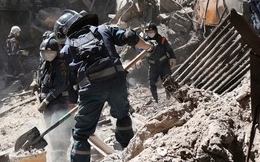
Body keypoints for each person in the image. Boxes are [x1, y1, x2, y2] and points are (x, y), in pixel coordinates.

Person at [54, 9, 154, 162]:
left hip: (91, 89)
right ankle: (132, 155)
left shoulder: (67, 49)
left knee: (81, 134)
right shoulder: (103, 29)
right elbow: (128, 36)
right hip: (117, 82)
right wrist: (148, 46)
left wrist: (74, 100)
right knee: (122, 116)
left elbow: (69, 81)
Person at [33, 35, 72, 160]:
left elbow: (60, 86)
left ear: (56, 52)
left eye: (50, 52)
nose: (47, 54)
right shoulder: (44, 63)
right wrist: (35, 82)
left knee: (58, 132)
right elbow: (40, 76)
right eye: (45, 52)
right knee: (49, 132)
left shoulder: (60, 65)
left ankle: (61, 157)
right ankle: (55, 156)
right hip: (47, 105)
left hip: (59, 103)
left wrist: (46, 100)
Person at [137, 22, 176, 104]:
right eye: (148, 32)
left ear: (156, 31)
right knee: (151, 82)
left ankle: (171, 98)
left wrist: (172, 58)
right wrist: (138, 60)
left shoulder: (162, 40)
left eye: (152, 32)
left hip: (164, 64)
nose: (150, 33)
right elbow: (140, 52)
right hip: (153, 66)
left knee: (168, 80)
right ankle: (156, 100)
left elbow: (169, 49)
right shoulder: (144, 42)